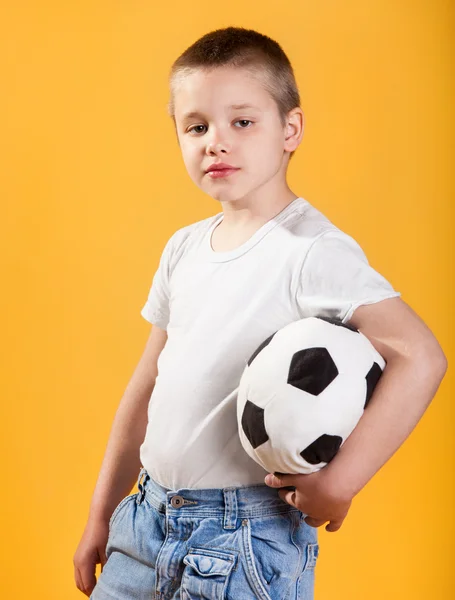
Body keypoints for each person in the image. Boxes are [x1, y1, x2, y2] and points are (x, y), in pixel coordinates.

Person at [73, 26, 447, 600]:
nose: (215, 142)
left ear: (290, 130)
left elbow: (420, 355)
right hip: (144, 521)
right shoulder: (183, 248)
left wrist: (341, 483)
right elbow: (148, 383)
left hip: (244, 536)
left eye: (241, 122)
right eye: (196, 126)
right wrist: (103, 512)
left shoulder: (311, 250)